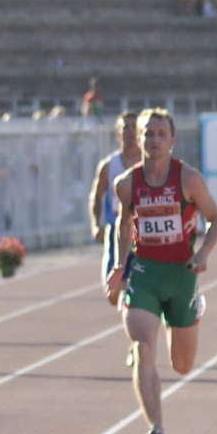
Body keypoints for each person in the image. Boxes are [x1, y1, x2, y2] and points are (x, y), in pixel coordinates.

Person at [106, 108, 217, 434]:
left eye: (161, 134)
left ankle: (193, 313)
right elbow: (124, 226)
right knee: (142, 347)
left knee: (182, 365)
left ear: (172, 141)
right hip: (145, 274)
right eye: (148, 133)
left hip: (182, 276)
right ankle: (156, 428)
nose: (154, 140)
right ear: (138, 138)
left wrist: (202, 254)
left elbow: (215, 220)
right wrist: (119, 266)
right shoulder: (127, 184)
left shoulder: (189, 179)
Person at [88, 111, 143, 306]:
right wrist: (96, 225)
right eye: (125, 127)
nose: (130, 131)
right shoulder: (108, 165)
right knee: (112, 292)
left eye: (133, 127)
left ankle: (135, 310)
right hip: (117, 229)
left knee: (144, 289)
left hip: (144, 232)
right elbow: (96, 196)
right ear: (118, 133)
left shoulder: (150, 164)